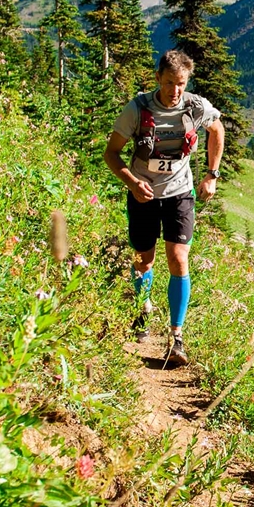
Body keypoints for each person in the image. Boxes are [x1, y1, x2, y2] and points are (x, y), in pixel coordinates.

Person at [104, 49, 224, 367]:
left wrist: (212, 174)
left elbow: (217, 130)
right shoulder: (138, 108)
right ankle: (143, 310)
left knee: (178, 258)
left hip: (180, 192)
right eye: (170, 83)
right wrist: (131, 182)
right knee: (144, 259)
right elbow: (112, 153)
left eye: (181, 84)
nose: (175, 91)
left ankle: (176, 336)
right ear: (158, 78)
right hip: (142, 192)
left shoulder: (196, 106)